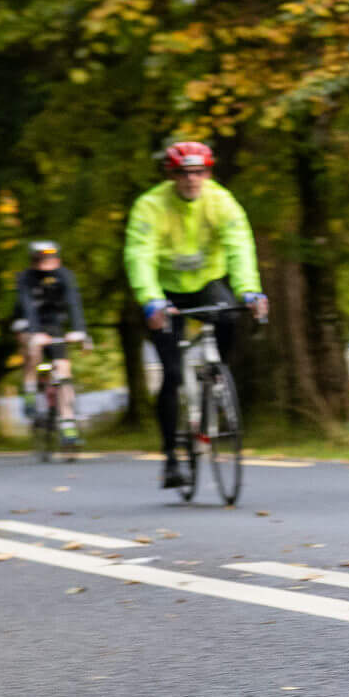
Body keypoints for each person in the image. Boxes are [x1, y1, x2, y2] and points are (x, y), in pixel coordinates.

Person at [124, 140, 268, 490]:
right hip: (165, 290)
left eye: (199, 172)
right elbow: (138, 255)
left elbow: (240, 245)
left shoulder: (221, 201)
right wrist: (151, 299)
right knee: (172, 374)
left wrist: (250, 288)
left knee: (230, 316)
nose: (192, 180)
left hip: (207, 282)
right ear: (172, 175)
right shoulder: (150, 206)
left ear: (208, 172)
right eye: (184, 173)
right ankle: (172, 456)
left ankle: (216, 379)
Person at [10, 240, 89, 448]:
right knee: (32, 350)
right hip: (28, 322)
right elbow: (27, 306)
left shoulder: (64, 275)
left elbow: (74, 303)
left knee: (63, 370)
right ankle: (29, 390)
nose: (46, 264)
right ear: (34, 261)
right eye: (41, 260)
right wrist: (35, 333)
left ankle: (67, 423)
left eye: (50, 259)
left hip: (54, 323)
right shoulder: (25, 279)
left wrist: (80, 331)